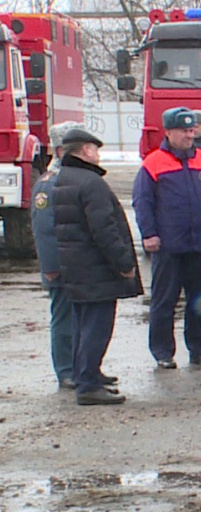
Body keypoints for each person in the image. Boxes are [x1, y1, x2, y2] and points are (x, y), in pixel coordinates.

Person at [53, 127, 143, 406]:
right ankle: (89, 385)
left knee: (82, 324)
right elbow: (104, 229)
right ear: (86, 151)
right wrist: (124, 263)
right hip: (96, 269)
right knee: (97, 326)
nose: (98, 155)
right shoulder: (91, 183)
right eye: (95, 150)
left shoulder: (63, 178)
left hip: (76, 266)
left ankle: (86, 374)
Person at [132, 106, 201, 370]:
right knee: (164, 301)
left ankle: (200, 349)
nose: (190, 136)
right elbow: (142, 201)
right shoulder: (153, 163)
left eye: (192, 131)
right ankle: (163, 352)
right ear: (169, 132)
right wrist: (149, 234)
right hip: (169, 244)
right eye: (184, 131)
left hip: (200, 244)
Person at [32, 120, 107, 391]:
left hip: (79, 264)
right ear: (63, 150)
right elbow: (44, 230)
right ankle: (66, 369)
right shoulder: (48, 183)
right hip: (61, 265)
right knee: (65, 319)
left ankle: (87, 368)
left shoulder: (76, 179)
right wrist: (51, 266)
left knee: (84, 320)